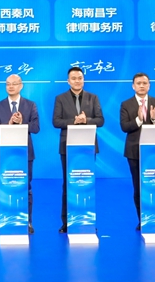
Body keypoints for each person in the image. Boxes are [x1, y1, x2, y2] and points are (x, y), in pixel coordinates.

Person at [52, 66, 105, 233]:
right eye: (73, 78)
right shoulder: (60, 98)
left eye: (80, 78)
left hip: (88, 147)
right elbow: (56, 121)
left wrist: (86, 120)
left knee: (86, 184)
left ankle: (87, 221)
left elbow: (100, 120)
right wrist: (74, 121)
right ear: (68, 81)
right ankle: (66, 222)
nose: (77, 81)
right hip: (68, 146)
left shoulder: (93, 98)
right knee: (69, 184)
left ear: (84, 80)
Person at [0, 73, 40, 234]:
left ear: (21, 86)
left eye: (14, 83)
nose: (10, 86)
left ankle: (27, 222)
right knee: (7, 187)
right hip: (5, 155)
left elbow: (36, 128)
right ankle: (7, 221)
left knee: (26, 187)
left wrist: (22, 122)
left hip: (25, 154)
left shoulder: (30, 105)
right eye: (8, 84)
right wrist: (9, 124)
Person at [120, 72, 155, 228]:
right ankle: (143, 219)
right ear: (133, 86)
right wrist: (139, 119)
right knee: (139, 186)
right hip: (134, 151)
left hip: (154, 152)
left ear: (149, 85)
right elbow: (124, 127)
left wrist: (154, 118)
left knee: (154, 184)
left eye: (144, 83)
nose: (142, 86)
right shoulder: (126, 104)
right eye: (138, 83)